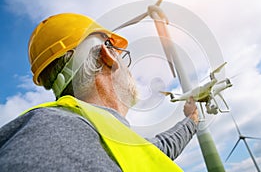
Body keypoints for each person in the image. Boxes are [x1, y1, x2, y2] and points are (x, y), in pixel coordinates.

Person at [0, 13, 199, 171]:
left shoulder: (111, 139)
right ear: (108, 54)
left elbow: (161, 148)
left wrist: (191, 120)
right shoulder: (50, 133)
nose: (127, 66)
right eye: (122, 55)